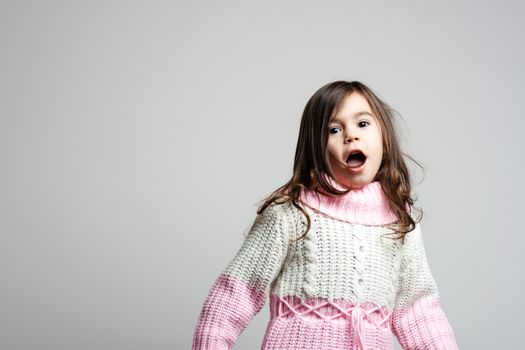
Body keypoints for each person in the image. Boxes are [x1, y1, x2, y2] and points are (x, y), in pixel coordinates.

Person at [191, 80, 460, 350]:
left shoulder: (400, 222)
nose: (350, 136)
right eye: (334, 129)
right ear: (316, 149)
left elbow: (419, 313)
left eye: (363, 124)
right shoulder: (291, 212)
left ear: (385, 140)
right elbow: (235, 295)